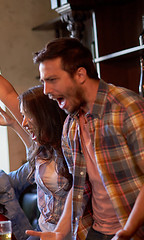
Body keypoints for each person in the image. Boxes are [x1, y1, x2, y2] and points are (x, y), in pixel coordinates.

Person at [26, 37, 144, 240]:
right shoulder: (71, 124)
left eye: (52, 79)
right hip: (97, 231)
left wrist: (127, 231)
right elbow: (79, 186)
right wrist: (58, 233)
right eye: (43, 81)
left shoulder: (126, 108)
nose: (46, 91)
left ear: (80, 74)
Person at [0, 33, 72, 238]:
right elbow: (5, 92)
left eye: (28, 117)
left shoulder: (72, 142)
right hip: (44, 234)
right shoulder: (42, 148)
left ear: (44, 117)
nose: (24, 122)